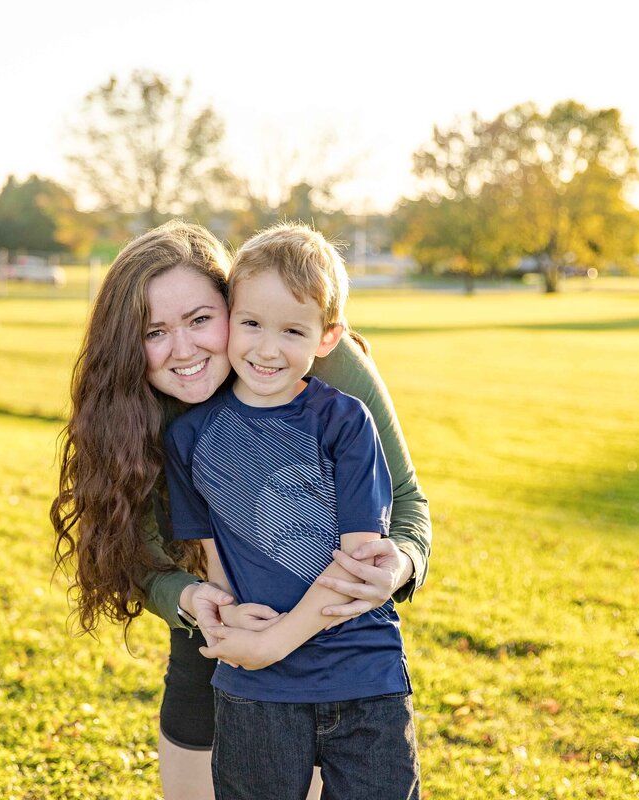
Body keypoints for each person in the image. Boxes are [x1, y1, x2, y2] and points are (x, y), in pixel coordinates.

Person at [50, 220, 430, 800]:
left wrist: (397, 564)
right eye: (155, 331)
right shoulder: (129, 411)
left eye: (202, 320)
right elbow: (137, 551)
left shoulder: (325, 368)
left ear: (233, 306)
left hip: (335, 638)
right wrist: (191, 599)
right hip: (219, 628)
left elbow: (404, 503)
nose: (184, 349)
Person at [163, 223, 419, 799]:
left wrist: (275, 642)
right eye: (251, 324)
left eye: (293, 330)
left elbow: (359, 562)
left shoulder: (345, 420)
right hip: (255, 690)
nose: (268, 348)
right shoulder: (189, 438)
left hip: (363, 677)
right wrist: (240, 637)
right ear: (229, 317)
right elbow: (213, 561)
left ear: (328, 338)